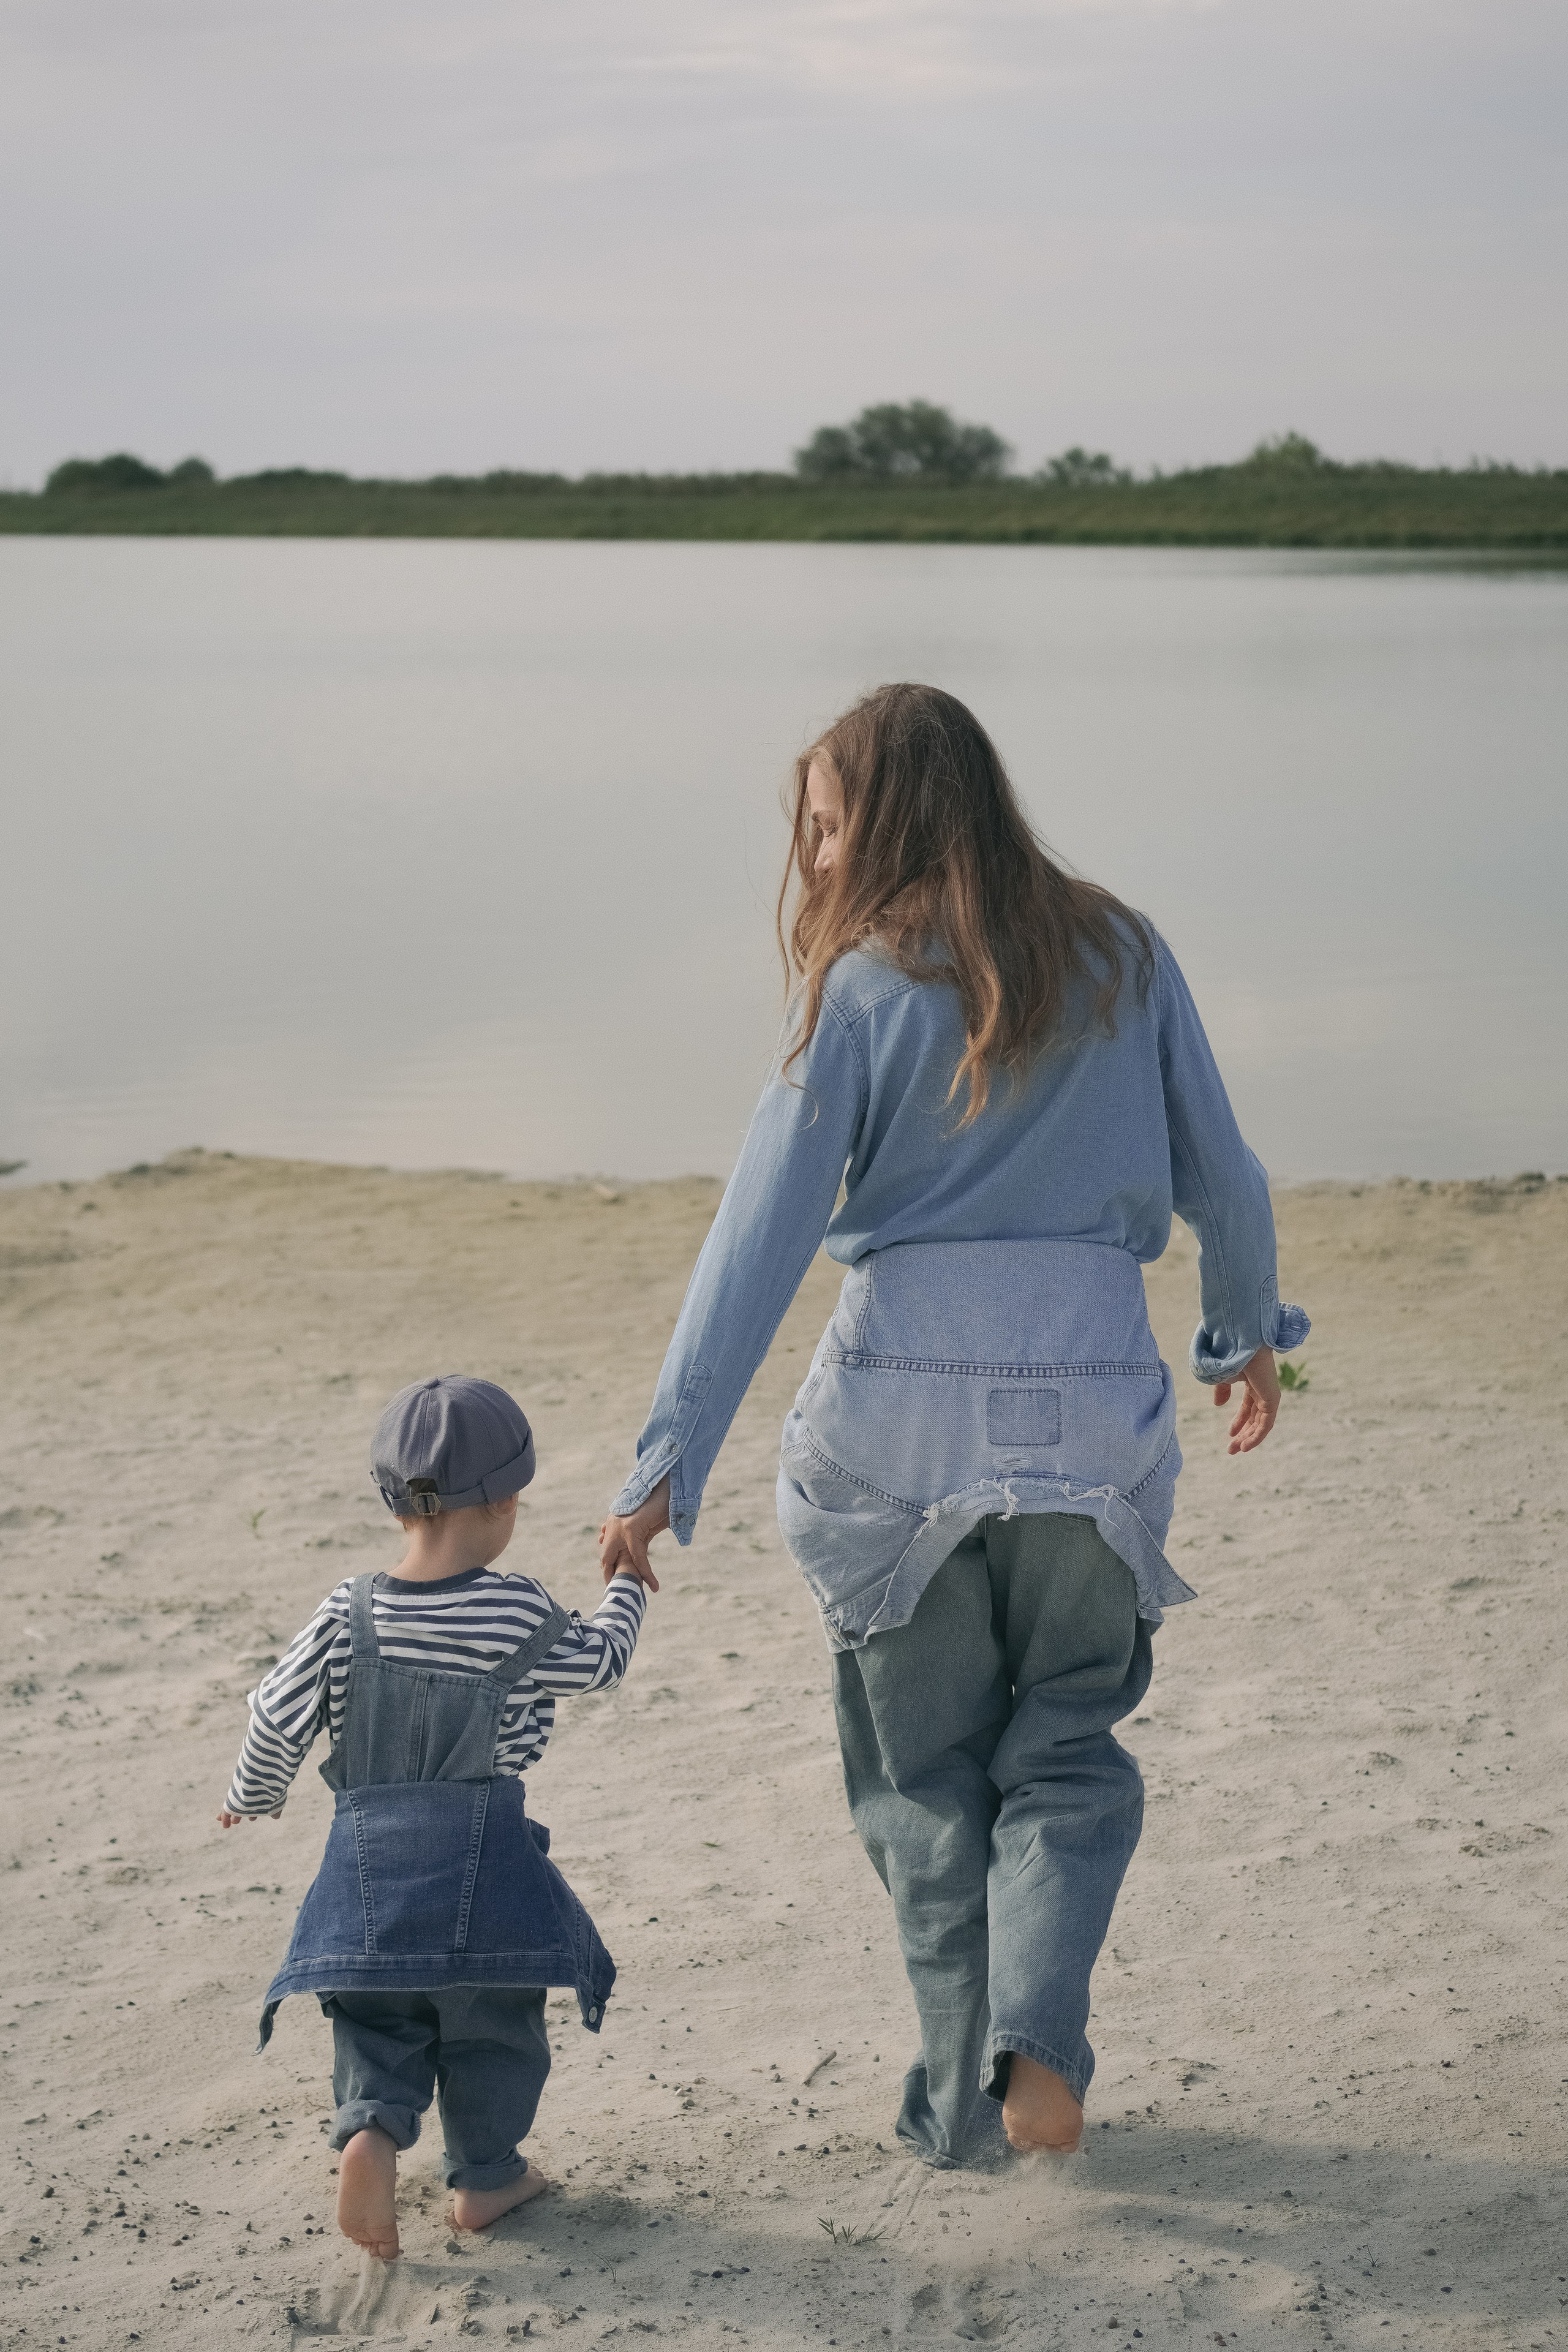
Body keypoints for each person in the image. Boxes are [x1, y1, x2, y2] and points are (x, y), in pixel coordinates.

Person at [600, 682, 1306, 2173]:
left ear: (889, 816)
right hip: (1094, 1421)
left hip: (894, 1435)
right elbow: (1226, 1181)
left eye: (824, 818)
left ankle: (952, 2111)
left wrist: (663, 1469)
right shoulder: (1122, 950)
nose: (809, 850)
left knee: (925, 1785)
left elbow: (756, 1245)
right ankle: (1036, 2047)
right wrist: (1242, 1336)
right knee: (1065, 1748)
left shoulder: (859, 988)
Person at [219, 1374, 646, 2258]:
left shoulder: (350, 1609)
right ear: (503, 1499)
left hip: (367, 1862)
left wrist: (252, 1795)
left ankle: (373, 2130)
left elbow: (273, 1715)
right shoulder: (516, 1607)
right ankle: (487, 2180)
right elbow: (600, 1664)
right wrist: (629, 1581)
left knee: (377, 2017)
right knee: (496, 2027)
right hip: (485, 1862)